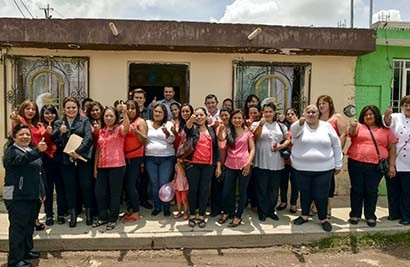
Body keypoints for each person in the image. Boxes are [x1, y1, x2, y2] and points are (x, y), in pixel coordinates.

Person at [291, 105, 343, 232]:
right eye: (308, 111)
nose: (311, 114)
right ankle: (304, 215)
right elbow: (294, 133)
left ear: (318, 114)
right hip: (301, 168)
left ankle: (323, 218)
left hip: (324, 169)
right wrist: (300, 123)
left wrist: (338, 163)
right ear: (304, 113)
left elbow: (336, 144)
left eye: (314, 112)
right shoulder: (299, 126)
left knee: (322, 195)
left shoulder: (327, 126)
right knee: (305, 193)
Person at [3, 124, 47, 267]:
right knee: (18, 227)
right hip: (16, 196)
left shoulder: (29, 150)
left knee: (28, 226)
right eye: (21, 134)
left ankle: (26, 252)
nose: (25, 137)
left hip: (31, 195)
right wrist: (37, 151)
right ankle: (15, 260)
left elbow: (38, 172)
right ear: (14, 137)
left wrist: (41, 191)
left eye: (28, 134)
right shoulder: (12, 151)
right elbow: (21, 160)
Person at [347, 105, 397, 227]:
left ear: (376, 115)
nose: (368, 116)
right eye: (366, 114)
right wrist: (353, 127)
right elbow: (351, 134)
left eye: (371, 114)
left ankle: (370, 215)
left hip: (375, 166)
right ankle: (355, 214)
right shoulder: (358, 126)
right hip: (356, 162)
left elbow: (392, 149)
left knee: (371, 190)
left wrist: (391, 166)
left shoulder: (385, 130)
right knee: (356, 189)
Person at [52, 96, 94, 227]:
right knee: (70, 188)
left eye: (74, 107)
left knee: (86, 186)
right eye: (68, 108)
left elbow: (89, 138)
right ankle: (73, 214)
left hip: (82, 159)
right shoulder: (59, 123)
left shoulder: (84, 120)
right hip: (65, 161)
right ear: (64, 109)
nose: (71, 110)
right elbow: (55, 141)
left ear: (78, 108)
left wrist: (78, 152)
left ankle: (88, 213)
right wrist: (60, 132)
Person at [9, 100, 47, 231]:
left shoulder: (39, 124)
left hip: (37, 157)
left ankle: (34, 218)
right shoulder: (19, 122)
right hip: (26, 157)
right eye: (27, 109)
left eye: (33, 109)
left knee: (39, 190)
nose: (31, 111)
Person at [252, 102, 290, 222]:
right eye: (265, 111)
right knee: (261, 188)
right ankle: (262, 211)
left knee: (273, 189)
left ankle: (271, 210)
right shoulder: (256, 124)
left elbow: (288, 139)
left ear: (274, 113)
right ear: (262, 112)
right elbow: (255, 137)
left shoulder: (281, 126)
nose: (268, 114)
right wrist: (260, 126)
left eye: (270, 111)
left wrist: (280, 146)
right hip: (261, 161)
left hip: (277, 162)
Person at [93, 105, 130, 230]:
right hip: (102, 166)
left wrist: (124, 113)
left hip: (117, 166)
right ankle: (103, 217)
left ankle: (113, 218)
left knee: (115, 193)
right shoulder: (101, 131)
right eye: (106, 116)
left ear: (116, 117)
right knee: (100, 193)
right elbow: (98, 149)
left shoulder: (119, 129)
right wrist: (95, 167)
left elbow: (126, 127)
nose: (108, 118)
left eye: (111, 116)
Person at [185, 107, 222, 228]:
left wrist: (217, 166)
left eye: (202, 115)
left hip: (208, 165)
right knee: (193, 190)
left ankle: (201, 214)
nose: (199, 117)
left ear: (206, 117)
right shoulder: (193, 129)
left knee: (204, 190)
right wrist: (191, 119)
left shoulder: (211, 130)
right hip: (193, 164)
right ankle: (192, 214)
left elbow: (216, 149)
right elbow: (187, 127)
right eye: (197, 115)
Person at [219, 109, 255, 227]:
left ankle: (238, 216)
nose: (237, 120)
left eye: (239, 118)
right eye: (235, 118)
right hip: (230, 165)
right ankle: (227, 211)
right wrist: (220, 130)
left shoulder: (248, 133)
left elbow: (252, 149)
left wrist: (248, 163)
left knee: (242, 192)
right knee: (226, 191)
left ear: (243, 119)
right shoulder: (228, 131)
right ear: (231, 119)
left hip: (244, 166)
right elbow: (221, 139)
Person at [316, 95, 347, 217]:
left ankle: (328, 208)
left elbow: (343, 135)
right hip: (317, 156)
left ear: (330, 104)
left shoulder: (336, 117)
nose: (321, 105)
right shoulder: (317, 118)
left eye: (324, 103)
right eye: (319, 103)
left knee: (329, 182)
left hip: (331, 155)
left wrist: (338, 154)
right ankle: (315, 206)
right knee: (316, 181)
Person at [145, 103, 176, 217]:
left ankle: (166, 207)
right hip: (150, 158)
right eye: (156, 111)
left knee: (164, 183)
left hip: (166, 158)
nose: (157, 113)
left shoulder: (168, 124)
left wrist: (167, 133)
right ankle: (157, 207)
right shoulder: (147, 123)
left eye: (160, 112)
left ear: (164, 114)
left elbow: (172, 140)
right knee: (154, 184)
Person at [383, 96, 410, 225]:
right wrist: (387, 116)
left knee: (407, 191)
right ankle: (394, 213)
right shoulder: (396, 117)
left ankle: (406, 216)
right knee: (393, 189)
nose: (408, 108)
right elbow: (386, 123)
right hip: (394, 159)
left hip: (409, 162)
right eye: (406, 105)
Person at [40, 104, 67, 226]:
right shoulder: (39, 126)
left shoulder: (60, 124)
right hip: (46, 161)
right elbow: (44, 140)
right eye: (46, 113)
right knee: (48, 189)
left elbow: (59, 141)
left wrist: (58, 133)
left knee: (61, 188)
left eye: (52, 113)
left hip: (59, 160)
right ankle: (49, 214)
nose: (49, 115)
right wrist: (53, 133)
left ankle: (61, 213)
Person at [122, 100, 147, 223]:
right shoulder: (124, 121)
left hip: (135, 157)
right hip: (123, 157)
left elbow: (144, 140)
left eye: (133, 108)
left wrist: (136, 132)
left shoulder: (140, 122)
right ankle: (131, 208)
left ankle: (136, 212)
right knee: (127, 185)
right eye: (128, 108)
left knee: (131, 185)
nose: (131, 111)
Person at [277, 108, 299, 214]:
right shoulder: (283, 126)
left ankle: (293, 203)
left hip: (297, 160)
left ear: (296, 115)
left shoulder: (300, 126)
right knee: (283, 182)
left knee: (295, 183)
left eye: (292, 114)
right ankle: (283, 201)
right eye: (288, 114)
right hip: (285, 160)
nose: (290, 116)